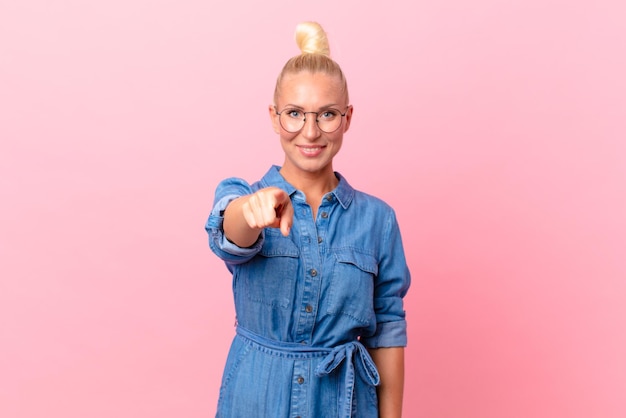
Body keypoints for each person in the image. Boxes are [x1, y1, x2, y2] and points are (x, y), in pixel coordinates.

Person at [205, 21, 411, 418]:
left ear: (348, 117)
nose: (311, 131)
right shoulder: (247, 197)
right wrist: (251, 212)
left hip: (345, 404)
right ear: (273, 116)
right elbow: (229, 231)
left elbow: (387, 330)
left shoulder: (378, 221)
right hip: (256, 399)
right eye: (295, 113)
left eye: (327, 114)